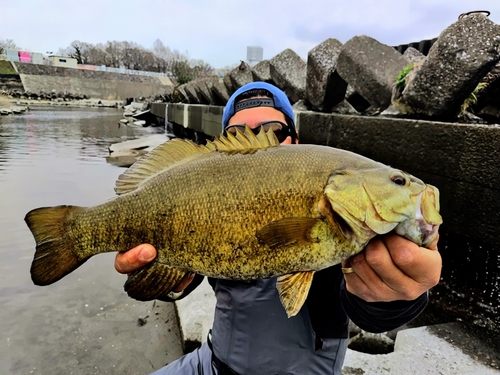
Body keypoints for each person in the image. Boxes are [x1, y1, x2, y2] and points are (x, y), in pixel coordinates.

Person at [114, 82, 442, 375]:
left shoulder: (349, 225)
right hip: (214, 364)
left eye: (273, 130)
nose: (259, 143)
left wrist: (395, 298)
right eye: (238, 135)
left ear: (296, 140)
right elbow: (183, 280)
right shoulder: (214, 197)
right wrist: (169, 281)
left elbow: (369, 308)